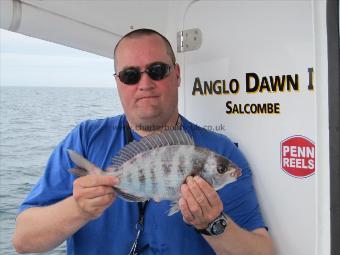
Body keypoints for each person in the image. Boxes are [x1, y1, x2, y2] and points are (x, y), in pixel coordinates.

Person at [13, 29, 274, 255]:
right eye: (130, 75)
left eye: (157, 70)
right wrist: (79, 208)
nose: (145, 83)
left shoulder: (220, 151)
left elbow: (263, 251)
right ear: (117, 82)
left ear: (177, 74)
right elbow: (23, 240)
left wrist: (214, 224)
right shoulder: (86, 138)